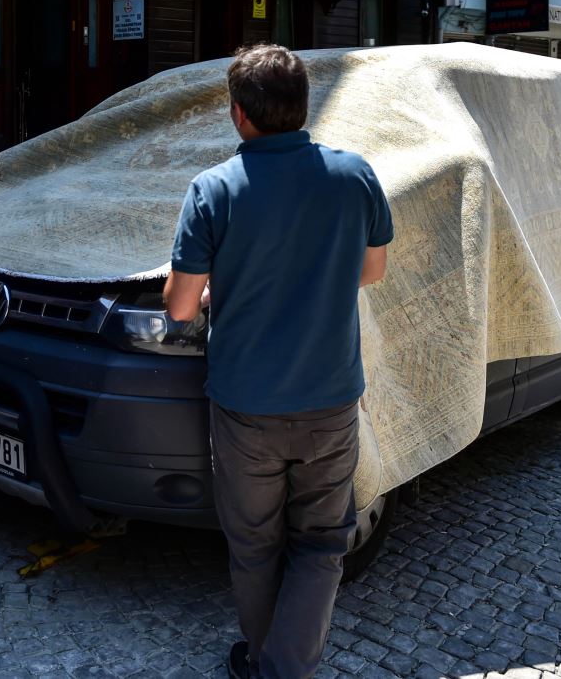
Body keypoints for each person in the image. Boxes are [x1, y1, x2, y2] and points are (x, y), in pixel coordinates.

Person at [163, 44, 393, 679]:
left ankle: (269, 664)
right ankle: (278, 665)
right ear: (302, 107)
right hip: (331, 398)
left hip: (246, 405)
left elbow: (181, 307)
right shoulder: (354, 175)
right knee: (322, 543)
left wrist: (216, 287)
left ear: (239, 113)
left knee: (255, 545)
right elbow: (370, 272)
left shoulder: (213, 189)